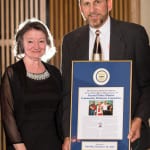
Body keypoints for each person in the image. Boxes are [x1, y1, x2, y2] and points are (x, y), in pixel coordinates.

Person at [61, 0, 150, 150]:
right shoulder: (70, 40)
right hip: (86, 138)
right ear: (80, 8)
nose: (92, 9)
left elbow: (147, 84)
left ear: (109, 4)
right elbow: (68, 92)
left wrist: (139, 119)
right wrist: (68, 134)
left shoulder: (134, 34)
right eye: (86, 4)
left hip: (130, 136)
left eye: (97, 2)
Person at [0, 18, 64, 150]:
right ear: (21, 43)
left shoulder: (55, 73)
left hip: (54, 144)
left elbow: (62, 111)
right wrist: (19, 146)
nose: (36, 46)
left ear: (47, 43)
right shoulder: (12, 73)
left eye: (41, 41)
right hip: (23, 146)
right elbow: (8, 115)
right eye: (30, 41)